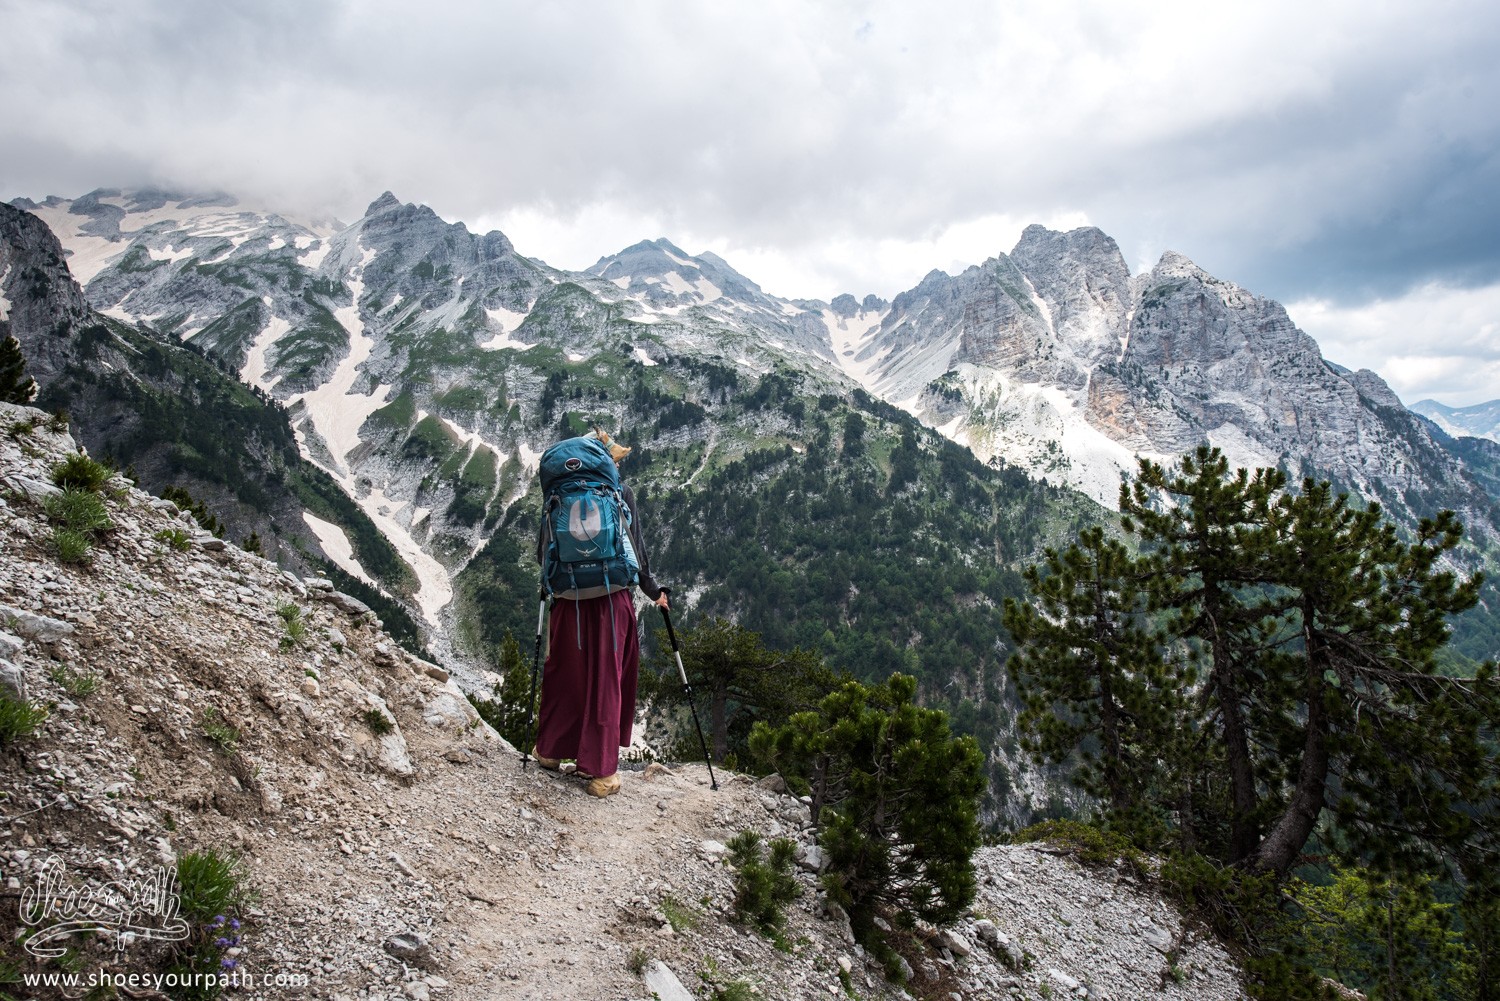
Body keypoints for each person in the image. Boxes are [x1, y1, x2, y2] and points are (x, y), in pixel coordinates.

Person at [532, 429, 668, 797]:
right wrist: (654, 592)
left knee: (564, 673)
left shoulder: (557, 494)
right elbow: (636, 551)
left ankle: (549, 752)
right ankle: (602, 773)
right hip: (611, 600)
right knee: (606, 681)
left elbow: (542, 551)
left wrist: (551, 587)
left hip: (568, 599)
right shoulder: (619, 494)